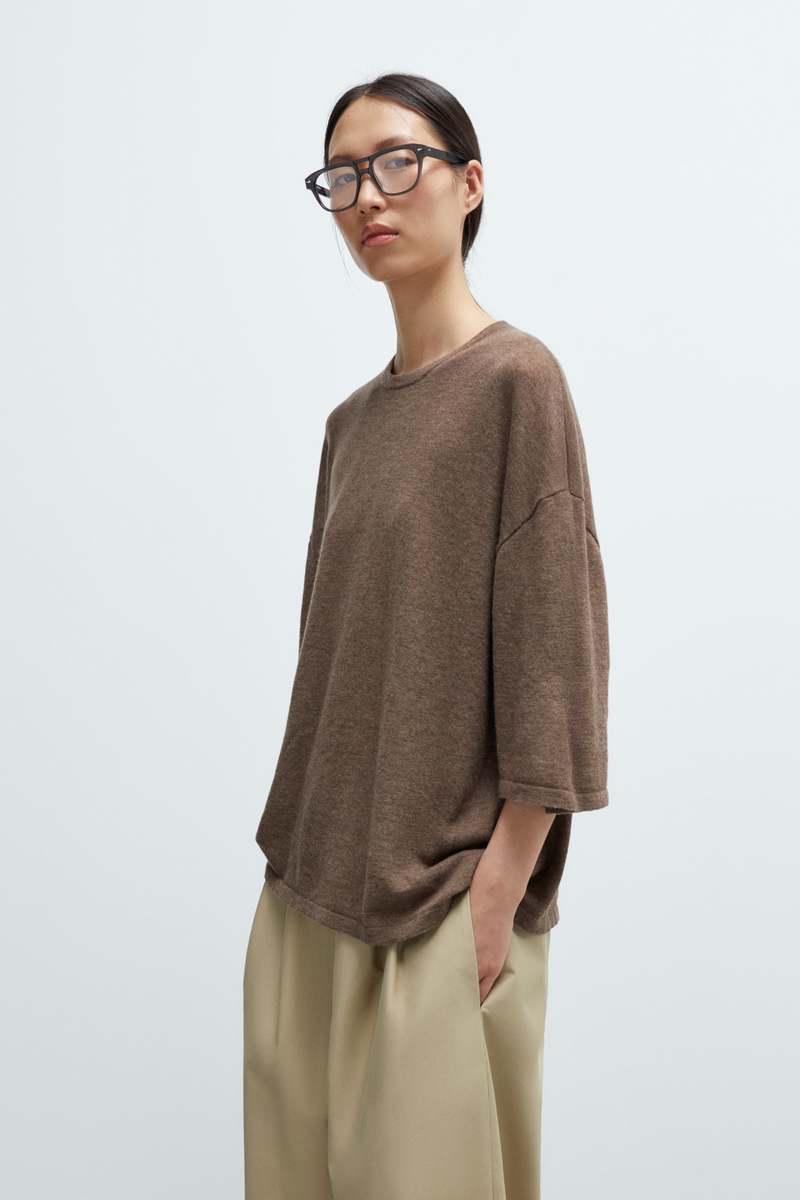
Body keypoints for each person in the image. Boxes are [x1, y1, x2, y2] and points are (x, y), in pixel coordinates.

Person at [243, 72, 610, 1200]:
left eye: (398, 162)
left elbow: (556, 654)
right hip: (307, 891)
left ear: (469, 183)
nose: (368, 196)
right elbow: (331, 660)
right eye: (343, 175)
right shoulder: (349, 426)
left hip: (442, 901)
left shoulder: (516, 383)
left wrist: (498, 891)